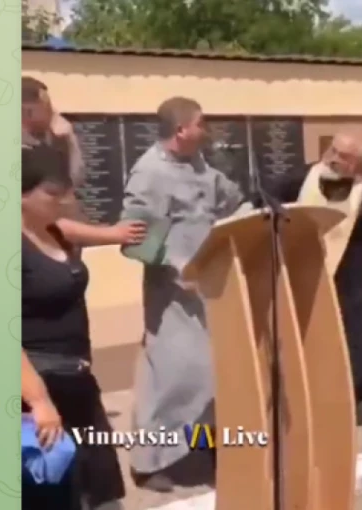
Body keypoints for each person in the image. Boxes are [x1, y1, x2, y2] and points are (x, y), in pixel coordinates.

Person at [122, 96, 246, 492]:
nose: (206, 130)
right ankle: (147, 463)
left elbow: (230, 202)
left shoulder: (200, 166)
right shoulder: (149, 173)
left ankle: (202, 448)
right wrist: (178, 270)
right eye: (201, 123)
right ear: (181, 130)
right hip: (172, 295)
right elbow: (135, 240)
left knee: (212, 375)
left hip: (211, 289)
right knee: (170, 377)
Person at [256, 132, 362, 424]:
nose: (332, 158)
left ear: (355, 164)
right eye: (332, 150)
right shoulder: (301, 179)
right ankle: (326, 400)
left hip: (354, 281)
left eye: (342, 156)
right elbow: (265, 198)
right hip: (307, 274)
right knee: (314, 341)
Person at [21, 144, 125, 510]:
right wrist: (39, 401)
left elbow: (74, 226)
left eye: (65, 192)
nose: (63, 201)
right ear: (20, 194)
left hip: (78, 380)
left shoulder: (57, 232)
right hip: (38, 383)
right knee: (53, 489)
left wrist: (119, 234)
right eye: (52, 193)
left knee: (99, 488)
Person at [21, 76, 147, 247]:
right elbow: (46, 222)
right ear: (28, 112)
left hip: (63, 247)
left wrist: (68, 139)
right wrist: (111, 234)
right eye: (48, 107)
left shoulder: (49, 141)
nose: (54, 113)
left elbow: (75, 180)